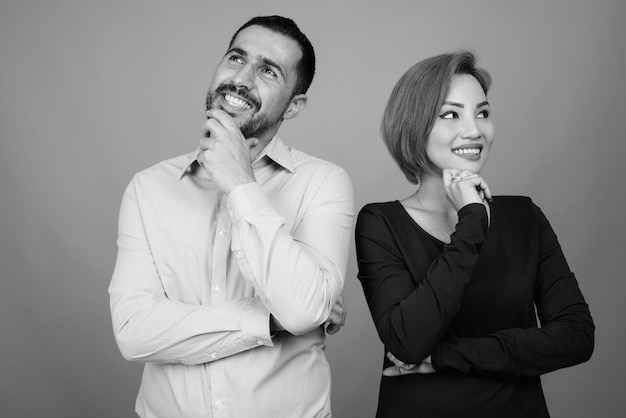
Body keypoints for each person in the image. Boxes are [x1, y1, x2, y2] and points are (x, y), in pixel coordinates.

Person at [109, 15, 354, 418]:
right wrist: (270, 321)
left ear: (294, 105)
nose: (242, 79)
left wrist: (241, 183)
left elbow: (303, 311)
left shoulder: (323, 182)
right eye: (236, 58)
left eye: (268, 71)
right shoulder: (148, 187)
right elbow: (135, 333)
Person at [355, 51, 594, 417]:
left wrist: (445, 357)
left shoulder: (525, 217)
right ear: (413, 127)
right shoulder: (380, 223)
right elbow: (407, 340)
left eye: (482, 113)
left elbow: (577, 337)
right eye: (451, 114)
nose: (475, 129)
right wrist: (472, 220)